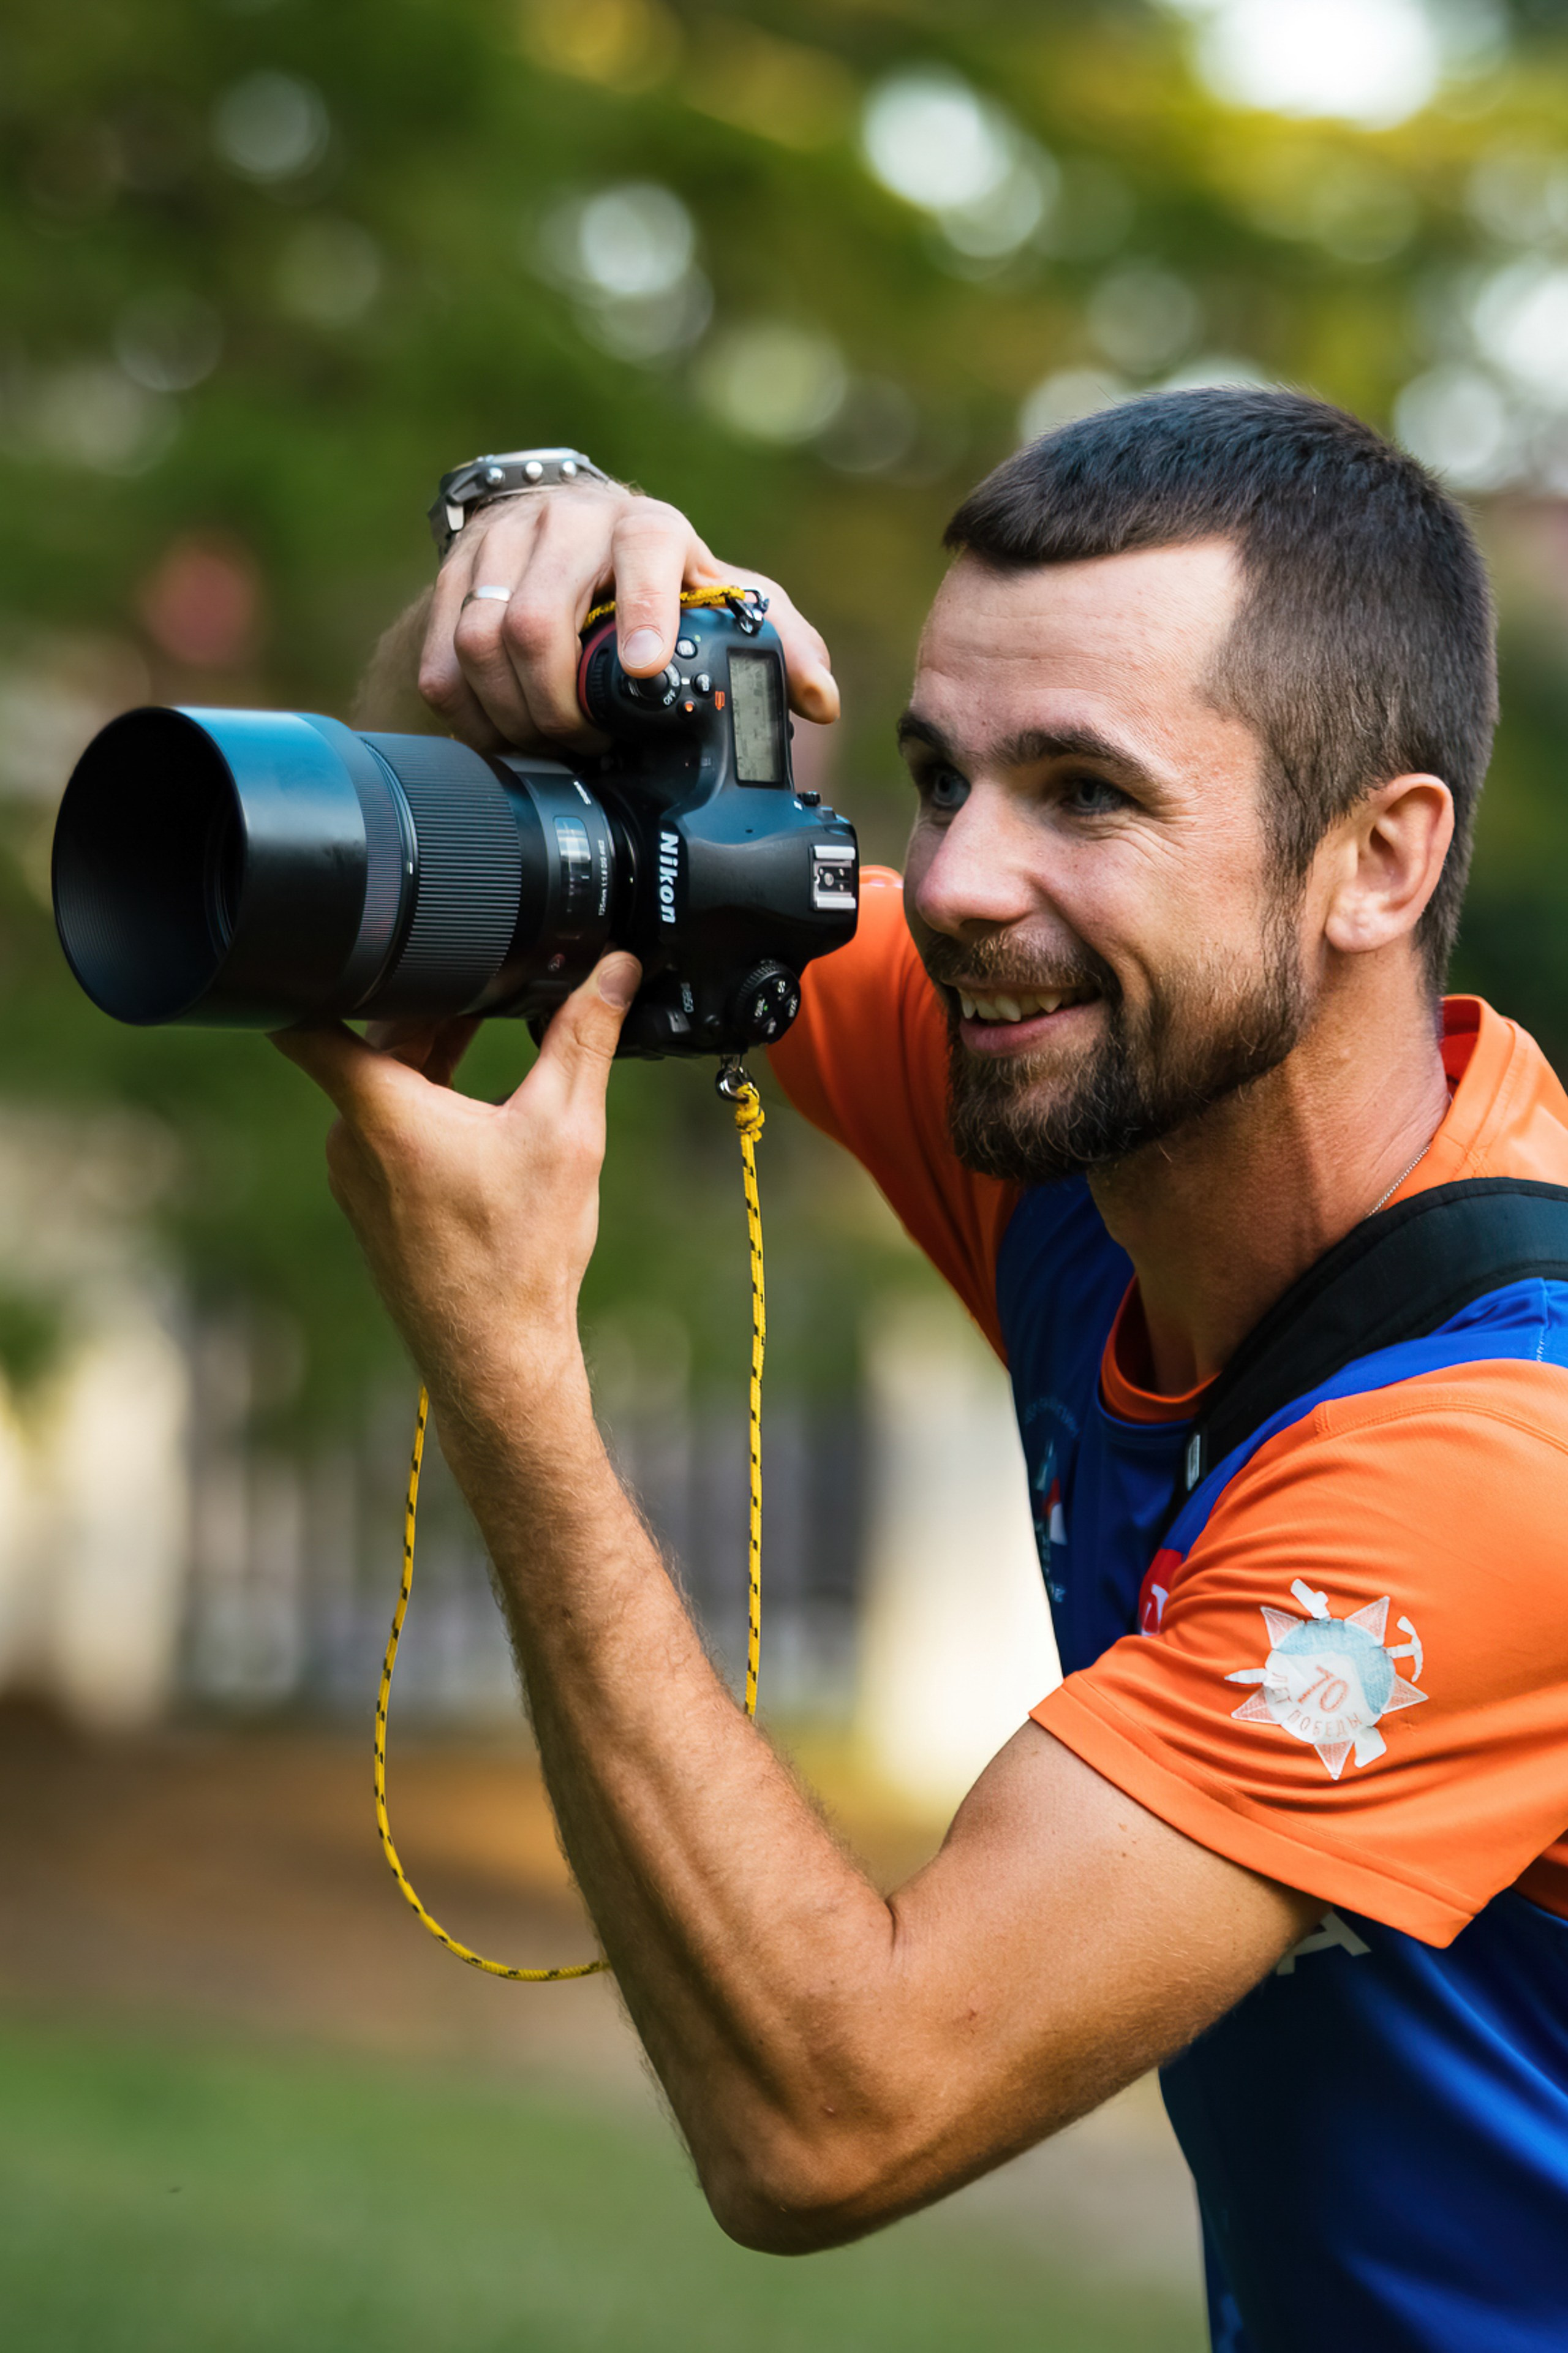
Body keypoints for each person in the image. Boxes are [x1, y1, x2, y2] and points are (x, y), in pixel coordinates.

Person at [278, 391, 1568, 2353]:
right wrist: (511, 586)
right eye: (942, 776)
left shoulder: (1498, 1460)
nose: (956, 882)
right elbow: (414, 891)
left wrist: (508, 1366)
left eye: (1087, 793)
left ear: (1377, 859)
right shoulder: (1089, 1091)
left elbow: (835, 2112)